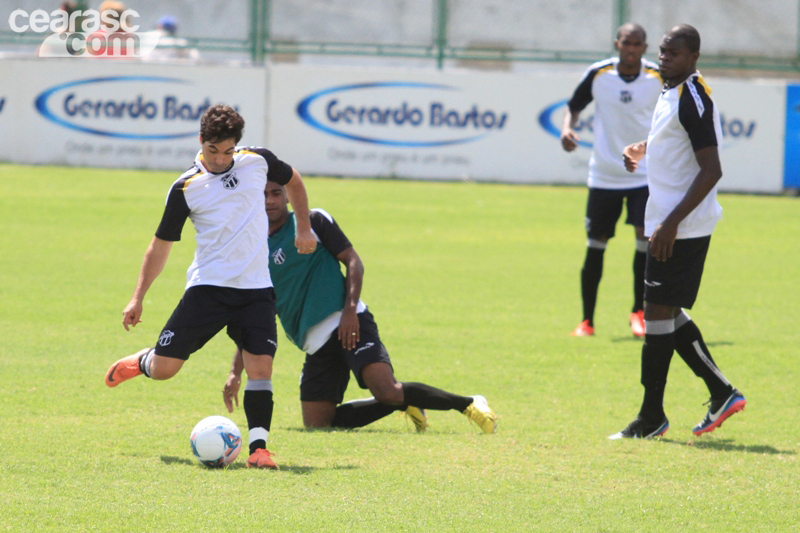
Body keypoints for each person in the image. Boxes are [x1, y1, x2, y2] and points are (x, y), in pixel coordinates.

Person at [104, 104, 317, 470]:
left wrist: (303, 227)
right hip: (208, 289)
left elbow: (294, 180)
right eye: (213, 150)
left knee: (261, 368)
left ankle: (259, 450)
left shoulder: (257, 162)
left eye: (228, 151)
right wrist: (138, 297)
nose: (221, 159)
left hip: (255, 289)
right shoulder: (186, 187)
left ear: (238, 145)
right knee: (166, 369)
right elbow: (160, 245)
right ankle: (142, 361)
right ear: (201, 141)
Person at [221, 181, 498, 434]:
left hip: (349, 324)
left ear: (288, 196)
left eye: (276, 193)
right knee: (318, 424)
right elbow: (255, 316)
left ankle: (469, 403)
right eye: (262, 194)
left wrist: (350, 311)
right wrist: (236, 371)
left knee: (387, 390)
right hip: (315, 344)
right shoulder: (253, 249)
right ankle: (407, 403)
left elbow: (353, 260)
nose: (269, 200)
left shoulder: (313, 221)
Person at [610, 24, 746, 439]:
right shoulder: (674, 91)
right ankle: (721, 391)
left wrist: (670, 223)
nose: (664, 58)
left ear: (693, 57)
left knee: (656, 312)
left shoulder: (692, 95)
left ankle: (651, 417)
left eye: (674, 52)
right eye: (664, 51)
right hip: (671, 222)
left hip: (679, 226)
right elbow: (678, 142)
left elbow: (712, 168)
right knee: (666, 310)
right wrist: (644, 147)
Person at [561, 23, 663, 338]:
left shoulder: (658, 77)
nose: (630, 49)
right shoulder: (599, 73)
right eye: (625, 43)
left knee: (644, 245)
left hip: (643, 175)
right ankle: (586, 320)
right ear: (616, 44)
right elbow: (574, 106)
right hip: (604, 175)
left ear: (644, 48)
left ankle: (639, 312)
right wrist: (567, 128)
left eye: (636, 44)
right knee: (595, 245)